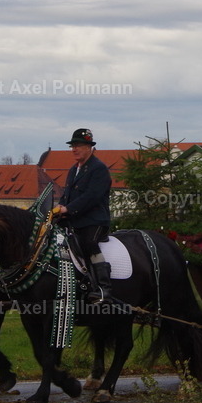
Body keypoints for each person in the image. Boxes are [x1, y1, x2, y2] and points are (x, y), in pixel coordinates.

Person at [53, 128, 111, 304]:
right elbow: (67, 194)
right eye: (73, 146)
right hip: (74, 218)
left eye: (78, 146)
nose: (74, 149)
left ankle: (103, 287)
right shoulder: (73, 170)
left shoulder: (98, 169)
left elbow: (91, 197)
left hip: (94, 220)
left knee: (88, 243)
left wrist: (68, 210)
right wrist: (60, 207)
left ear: (89, 147)